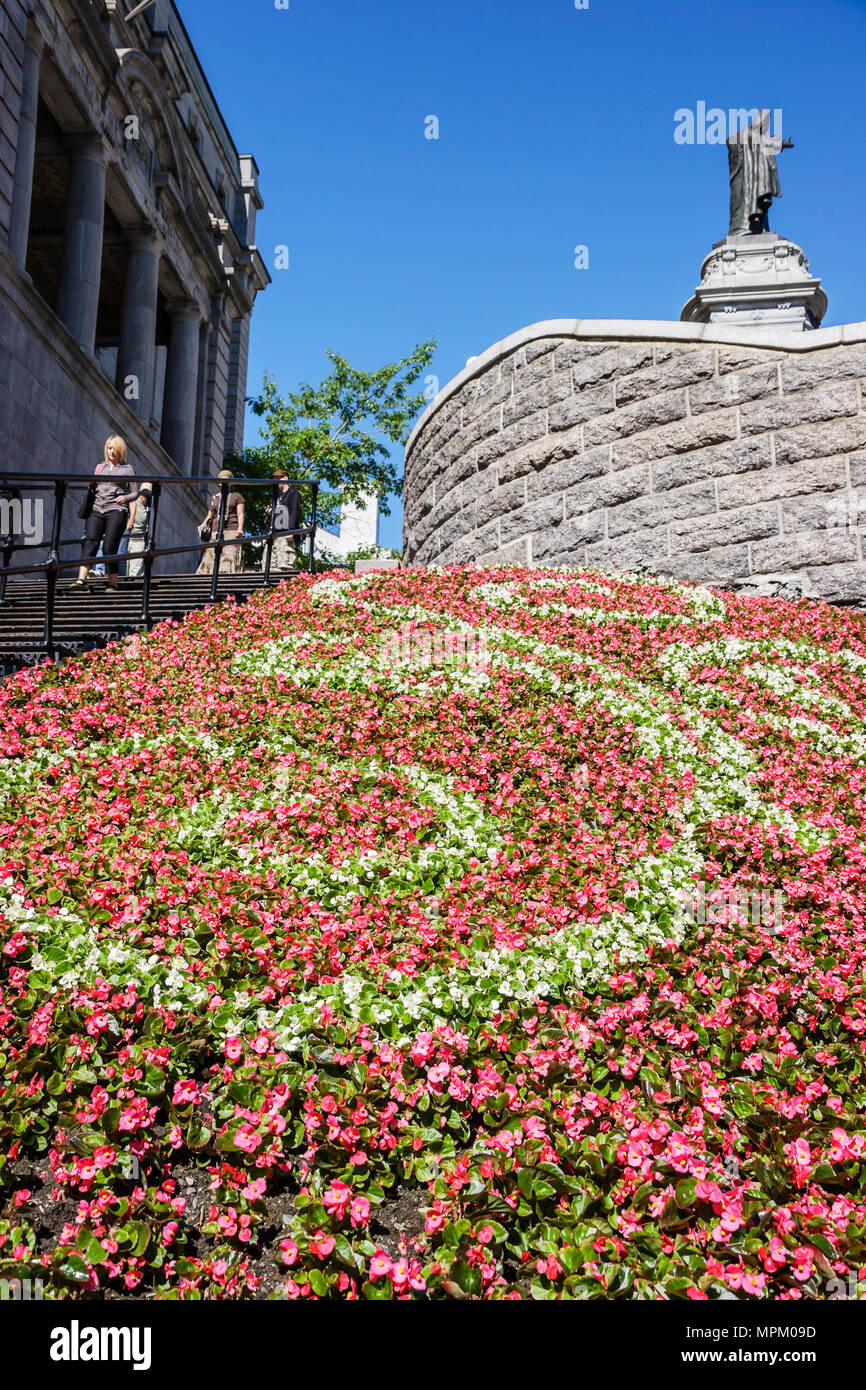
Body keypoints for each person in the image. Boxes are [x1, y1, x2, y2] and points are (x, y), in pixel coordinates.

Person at [72, 436, 137, 592]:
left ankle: (112, 583)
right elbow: (93, 488)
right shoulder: (100, 467)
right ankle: (81, 580)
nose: (111, 451)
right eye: (109, 448)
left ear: (120, 450)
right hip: (97, 509)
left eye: (114, 448)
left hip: (116, 510)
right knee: (90, 543)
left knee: (109, 546)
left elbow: (135, 493)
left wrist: (125, 497)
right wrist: (91, 485)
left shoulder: (128, 469)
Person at [196, 469, 245, 575]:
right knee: (211, 556)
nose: (224, 482)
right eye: (222, 480)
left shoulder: (237, 496)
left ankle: (225, 579)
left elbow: (240, 514)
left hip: (231, 529)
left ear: (231, 482)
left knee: (229, 556)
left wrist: (240, 528)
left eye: (227, 480)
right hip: (215, 530)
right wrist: (203, 525)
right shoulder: (215, 498)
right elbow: (210, 514)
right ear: (219, 482)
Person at [265, 471, 302, 571]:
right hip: (274, 533)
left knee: (285, 564)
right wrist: (269, 514)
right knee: (269, 565)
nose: (275, 481)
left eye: (278, 478)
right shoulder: (275, 496)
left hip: (286, 534)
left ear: (285, 478)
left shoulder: (293, 493)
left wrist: (291, 530)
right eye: (274, 480)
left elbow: (295, 511)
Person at [126, 482, 153, 579]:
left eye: (148, 493)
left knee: (135, 572)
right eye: (143, 492)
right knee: (127, 571)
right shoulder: (133, 502)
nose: (145, 496)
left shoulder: (149, 508)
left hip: (139, 541)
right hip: (128, 540)